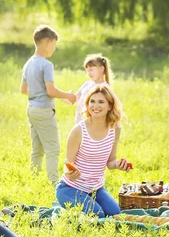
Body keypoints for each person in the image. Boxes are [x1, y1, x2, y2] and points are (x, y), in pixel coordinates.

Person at [55, 85, 130, 217]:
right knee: (98, 215)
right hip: (69, 188)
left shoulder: (115, 128)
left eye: (101, 102)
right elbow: (68, 164)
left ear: (110, 106)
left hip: (96, 189)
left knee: (115, 213)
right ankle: (68, 212)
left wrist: (119, 164)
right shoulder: (79, 130)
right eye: (92, 101)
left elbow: (111, 162)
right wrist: (69, 172)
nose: (95, 106)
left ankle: (82, 207)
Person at [21, 25, 77, 186]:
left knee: (37, 148)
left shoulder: (28, 64)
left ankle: (35, 179)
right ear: (46, 42)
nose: (54, 48)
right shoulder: (46, 65)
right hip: (44, 111)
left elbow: (24, 89)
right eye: (54, 44)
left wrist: (40, 93)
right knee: (53, 148)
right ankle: (54, 182)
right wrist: (68, 95)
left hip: (31, 109)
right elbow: (51, 90)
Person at [72, 54, 113, 124]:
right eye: (87, 70)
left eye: (91, 70)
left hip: (93, 124)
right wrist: (58, 94)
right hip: (80, 123)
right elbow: (74, 99)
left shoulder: (104, 87)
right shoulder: (87, 84)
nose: (88, 73)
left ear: (101, 69)